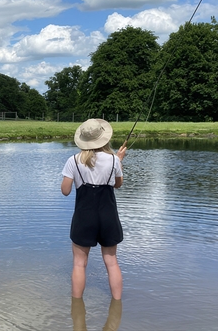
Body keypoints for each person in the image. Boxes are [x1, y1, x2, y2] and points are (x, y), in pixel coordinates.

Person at [61, 118, 127, 300]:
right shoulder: (114, 159)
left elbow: (65, 191)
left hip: (84, 217)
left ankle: (77, 312)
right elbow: (118, 185)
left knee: (79, 264)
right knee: (112, 263)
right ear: (103, 138)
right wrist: (119, 161)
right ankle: (116, 308)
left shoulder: (73, 161)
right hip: (108, 216)